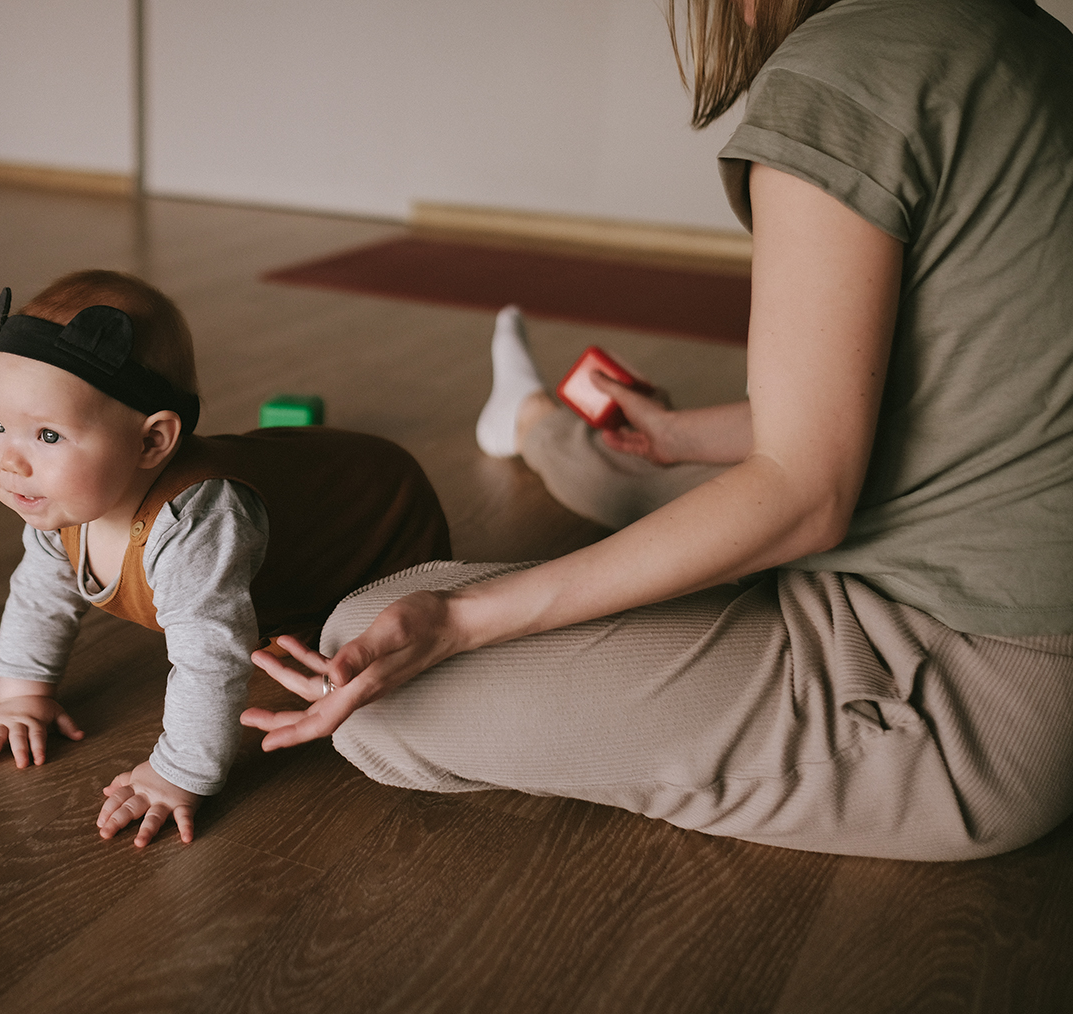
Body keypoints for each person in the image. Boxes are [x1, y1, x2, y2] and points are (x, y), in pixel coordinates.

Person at [243, 0, 1073, 861]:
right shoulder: (1025, 35)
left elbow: (802, 493)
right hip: (976, 585)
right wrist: (676, 434)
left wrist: (461, 619)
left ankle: (531, 426)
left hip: (961, 693)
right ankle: (531, 419)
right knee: (631, 470)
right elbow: (932, 396)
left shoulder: (844, 67)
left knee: (364, 656)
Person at [0, 270, 450, 847]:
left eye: (47, 436)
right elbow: (39, 595)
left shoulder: (192, 523)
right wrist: (21, 698)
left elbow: (211, 659)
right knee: (289, 652)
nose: (10, 462)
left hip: (377, 533)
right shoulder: (59, 503)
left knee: (352, 668)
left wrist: (179, 773)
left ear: (151, 442)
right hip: (296, 533)